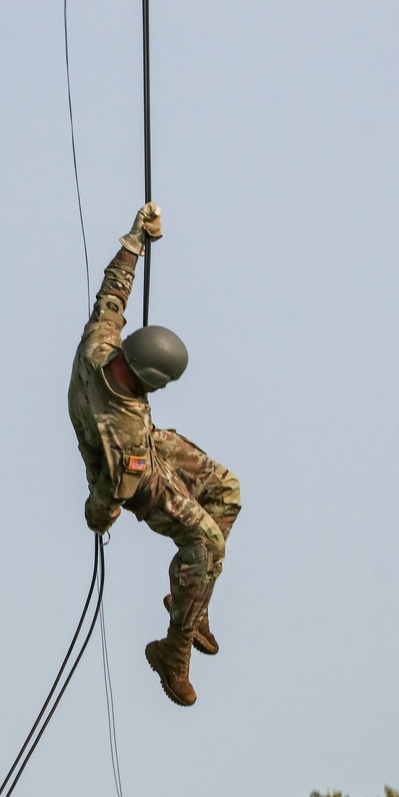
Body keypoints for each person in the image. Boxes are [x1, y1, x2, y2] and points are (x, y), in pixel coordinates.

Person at [69, 201, 241, 707]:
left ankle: (193, 597)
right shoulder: (124, 440)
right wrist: (99, 513)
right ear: (151, 382)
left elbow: (111, 295)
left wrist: (135, 238)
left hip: (145, 441)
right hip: (135, 472)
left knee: (226, 490)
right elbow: (110, 494)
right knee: (207, 545)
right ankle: (174, 648)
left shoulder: (100, 346)